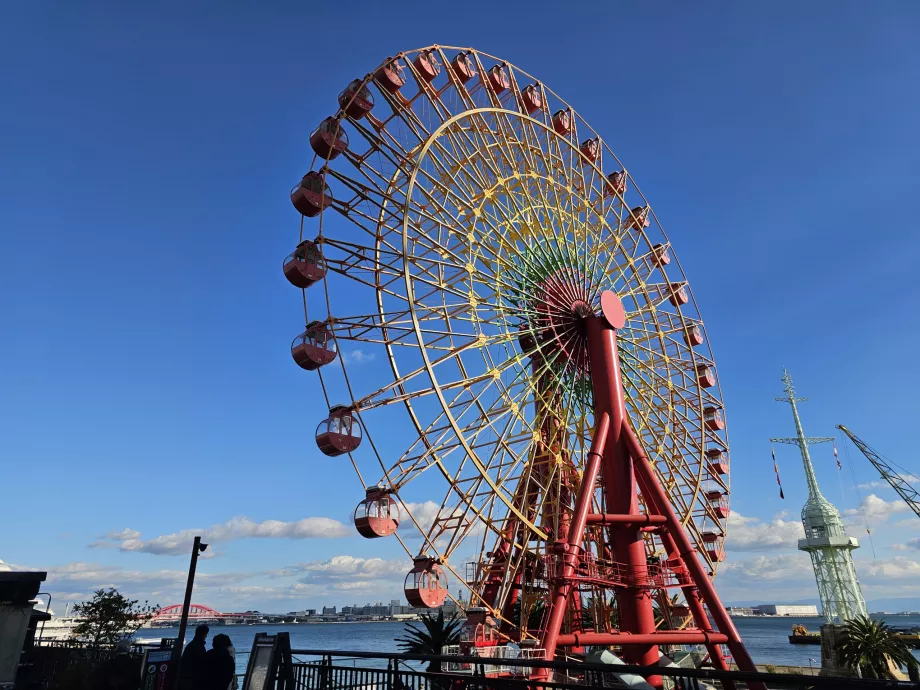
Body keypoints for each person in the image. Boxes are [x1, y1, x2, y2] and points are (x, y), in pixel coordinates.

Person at [179, 625, 210, 690]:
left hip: (185, 677)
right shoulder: (199, 646)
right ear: (205, 634)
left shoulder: (191, 645)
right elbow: (201, 664)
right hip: (192, 679)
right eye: (206, 634)